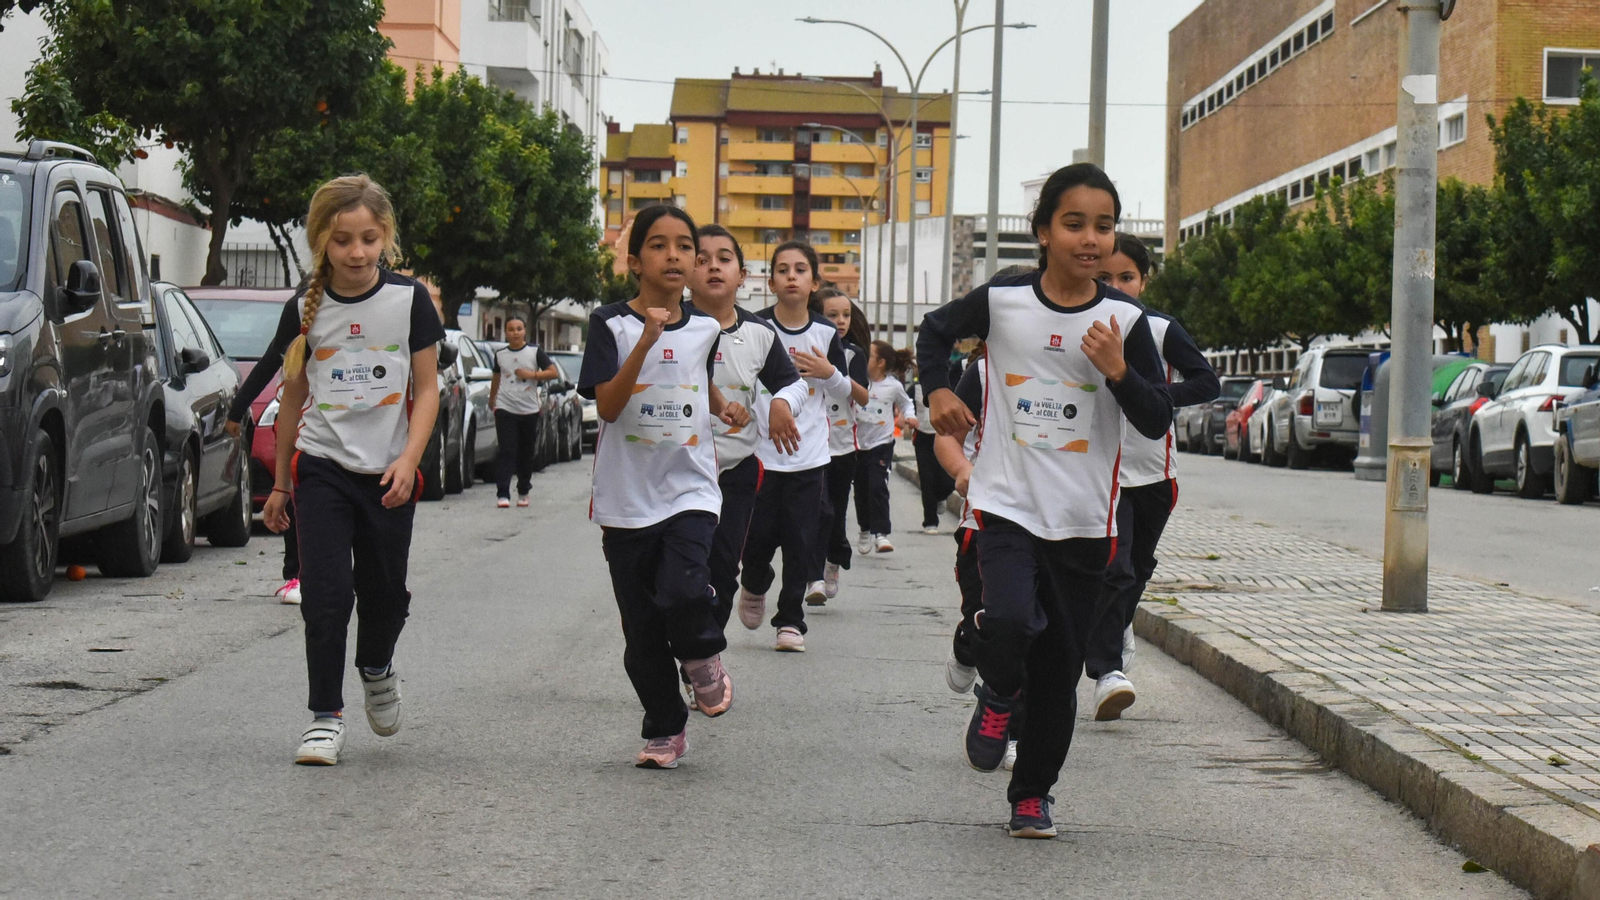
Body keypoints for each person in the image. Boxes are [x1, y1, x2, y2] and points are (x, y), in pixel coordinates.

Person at [918, 163, 1173, 838]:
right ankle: (999, 689)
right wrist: (940, 391)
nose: (1091, 239)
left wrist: (1118, 370)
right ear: (1043, 232)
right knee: (1007, 618)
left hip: (1085, 522)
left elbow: (1154, 418)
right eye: (1074, 224)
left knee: (1059, 671)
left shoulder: (1124, 320)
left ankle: (1032, 795)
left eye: (1104, 225)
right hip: (1005, 503)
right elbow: (934, 333)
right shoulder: (1003, 302)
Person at [260, 174, 444, 767]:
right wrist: (282, 484)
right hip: (323, 469)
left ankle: (377, 666)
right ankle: (324, 717)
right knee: (327, 594)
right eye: (342, 241)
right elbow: (291, 398)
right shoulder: (303, 309)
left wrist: (409, 460)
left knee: (386, 595)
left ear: (385, 236)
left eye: (368, 238)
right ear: (321, 242)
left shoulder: (408, 301)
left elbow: (426, 389)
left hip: (389, 473)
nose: (357, 252)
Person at [578, 205, 751, 770]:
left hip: (690, 491)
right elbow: (606, 404)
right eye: (659, 245)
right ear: (634, 261)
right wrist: (645, 342)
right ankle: (664, 725)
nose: (674, 256)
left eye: (686, 248)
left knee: (681, 589)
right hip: (626, 499)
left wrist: (723, 404)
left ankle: (702, 654)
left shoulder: (705, 327)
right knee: (642, 635)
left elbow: (696, 378)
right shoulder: (610, 324)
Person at [1083, 233, 1218, 720]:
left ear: (1144, 280)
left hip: (1156, 471)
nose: (1114, 286)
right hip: (1102, 470)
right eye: (1104, 277)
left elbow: (1207, 381)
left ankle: (1117, 627)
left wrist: (1155, 396)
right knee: (1114, 568)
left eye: (1126, 277)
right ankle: (1106, 672)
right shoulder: (1077, 323)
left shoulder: (1159, 329)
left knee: (1136, 570)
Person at [687, 224, 806, 638]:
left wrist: (779, 403)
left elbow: (794, 382)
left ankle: (702, 654)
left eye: (724, 259)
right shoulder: (667, 327)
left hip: (735, 471)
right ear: (685, 271)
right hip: (677, 468)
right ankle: (685, 642)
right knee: (683, 571)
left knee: (722, 570)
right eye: (701, 259)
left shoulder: (759, 334)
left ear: (742, 275)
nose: (713, 267)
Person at [738, 241, 856, 653]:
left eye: (801, 269)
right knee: (756, 540)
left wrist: (828, 371)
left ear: (814, 283)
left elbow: (846, 392)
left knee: (800, 541)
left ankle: (790, 620)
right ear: (769, 281)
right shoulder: (753, 326)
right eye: (783, 269)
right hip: (759, 453)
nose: (792, 276)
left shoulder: (825, 333)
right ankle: (753, 583)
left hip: (809, 457)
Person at [225, 330, 301, 604]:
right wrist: (238, 409)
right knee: (300, 490)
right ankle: (297, 574)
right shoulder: (304, 307)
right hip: (308, 420)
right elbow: (271, 359)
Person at [809, 288, 870, 604]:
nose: (841, 321)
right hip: (809, 446)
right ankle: (814, 578)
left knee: (835, 512)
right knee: (819, 512)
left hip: (844, 447)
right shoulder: (803, 348)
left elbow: (862, 396)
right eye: (833, 315)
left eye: (846, 315)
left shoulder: (853, 354)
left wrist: (833, 374)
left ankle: (834, 559)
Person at [489, 316, 559, 508]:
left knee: (526, 452)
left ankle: (523, 490)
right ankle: (503, 493)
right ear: (506, 333)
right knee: (506, 450)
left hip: (528, 409)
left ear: (525, 331)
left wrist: (532, 375)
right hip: (505, 407)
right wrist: (492, 399)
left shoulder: (535, 352)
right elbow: (496, 377)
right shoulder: (500, 354)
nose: (515, 332)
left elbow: (553, 372)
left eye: (519, 329)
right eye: (511, 329)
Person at [853, 340, 916, 554]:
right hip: (858, 445)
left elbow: (907, 403)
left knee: (877, 487)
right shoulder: (857, 382)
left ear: (880, 362)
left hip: (881, 444)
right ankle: (864, 529)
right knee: (861, 491)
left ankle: (881, 534)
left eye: (868, 356)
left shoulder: (893, 386)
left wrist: (910, 416)